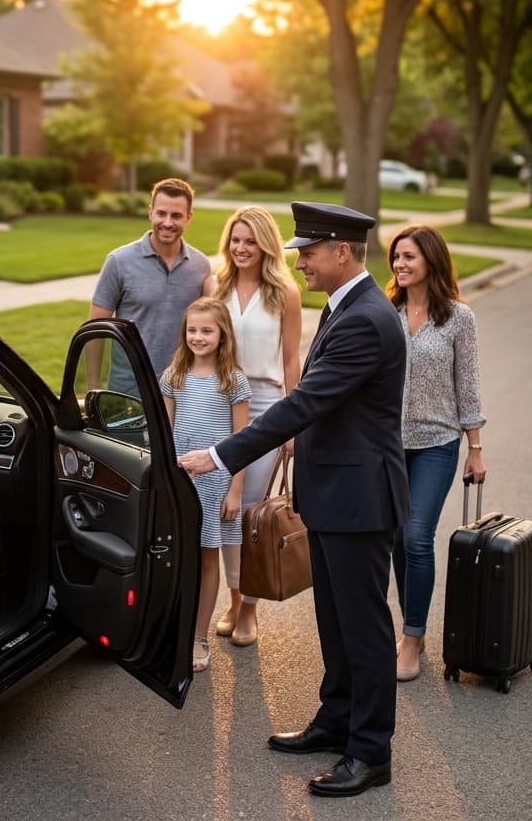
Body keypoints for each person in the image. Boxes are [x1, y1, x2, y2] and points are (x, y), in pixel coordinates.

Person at [179, 202, 408, 799]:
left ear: (343, 252)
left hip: (360, 498)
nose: (300, 259)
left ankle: (370, 750)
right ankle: (336, 719)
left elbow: (304, 403)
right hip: (336, 491)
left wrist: (224, 454)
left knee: (363, 627)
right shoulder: (347, 306)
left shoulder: (364, 319)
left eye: (311, 250)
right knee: (334, 620)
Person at [386, 225, 487, 682]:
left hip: (437, 443)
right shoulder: (386, 312)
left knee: (416, 537)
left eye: (408, 256)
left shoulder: (457, 318)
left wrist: (475, 449)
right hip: (387, 443)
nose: (400, 265)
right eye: (396, 257)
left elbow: (468, 387)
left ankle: (410, 637)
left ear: (431, 259)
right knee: (393, 541)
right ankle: (414, 624)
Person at [207, 206, 302, 647]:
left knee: (248, 510)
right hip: (219, 403)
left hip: (265, 408)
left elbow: (289, 360)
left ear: (265, 244)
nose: (241, 249)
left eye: (250, 241)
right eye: (236, 240)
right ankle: (234, 595)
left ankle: (249, 609)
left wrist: (293, 425)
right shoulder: (215, 284)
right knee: (222, 511)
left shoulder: (285, 291)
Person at [159, 296, 251, 673]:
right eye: (192, 330)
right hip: (180, 483)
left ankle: (199, 635)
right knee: (177, 556)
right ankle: (174, 628)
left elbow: (242, 442)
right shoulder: (173, 377)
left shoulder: (233, 381)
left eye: (206, 331)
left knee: (207, 557)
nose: (198, 337)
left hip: (215, 486)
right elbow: (165, 435)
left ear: (222, 334)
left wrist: (235, 491)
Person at [87, 178, 211, 392]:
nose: (168, 222)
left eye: (177, 216)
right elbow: (94, 331)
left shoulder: (200, 266)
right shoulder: (119, 261)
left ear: (189, 218)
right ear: (150, 212)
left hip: (182, 390)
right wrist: (93, 388)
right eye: (161, 213)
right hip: (128, 392)